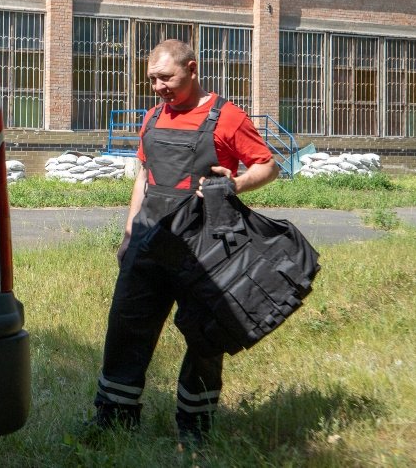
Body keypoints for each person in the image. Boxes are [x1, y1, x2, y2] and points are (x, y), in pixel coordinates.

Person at [90, 39, 279, 443]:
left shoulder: (227, 117)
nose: (157, 87)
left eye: (165, 78)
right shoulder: (153, 117)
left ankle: (195, 427)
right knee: (126, 326)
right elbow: (143, 175)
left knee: (204, 335)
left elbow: (268, 165)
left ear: (192, 69)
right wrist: (128, 234)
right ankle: (114, 418)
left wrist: (237, 182)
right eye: (151, 80)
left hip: (204, 245)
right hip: (148, 239)